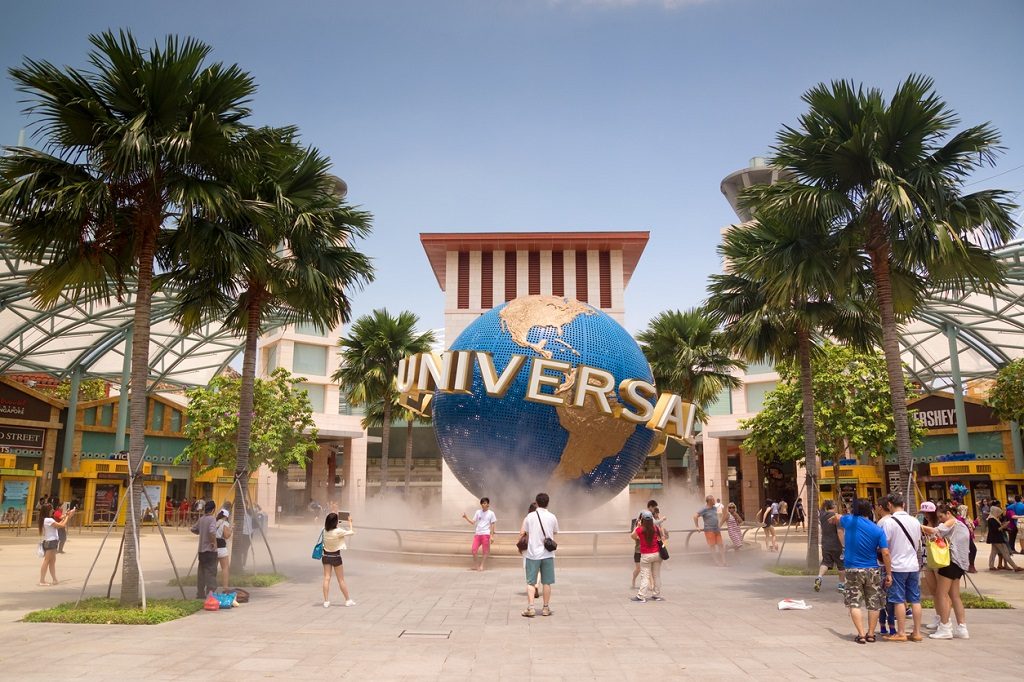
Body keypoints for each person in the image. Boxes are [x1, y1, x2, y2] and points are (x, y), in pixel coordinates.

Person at [829, 498, 891, 644]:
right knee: (874, 603)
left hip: (852, 569)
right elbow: (886, 553)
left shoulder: (849, 521)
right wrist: (889, 573)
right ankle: (871, 634)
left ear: (853, 510)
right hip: (872, 569)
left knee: (854, 603)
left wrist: (833, 518)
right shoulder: (877, 529)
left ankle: (861, 634)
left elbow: (836, 518)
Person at [877, 494, 923, 642]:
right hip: (913, 565)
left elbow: (884, 547)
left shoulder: (889, 523)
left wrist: (888, 572)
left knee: (898, 600)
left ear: (889, 505)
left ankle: (901, 632)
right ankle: (916, 632)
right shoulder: (915, 521)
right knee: (915, 600)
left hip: (897, 566)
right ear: (903, 504)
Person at [922, 503, 971, 639]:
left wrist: (917, 526)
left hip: (951, 562)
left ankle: (945, 627)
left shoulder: (952, 521)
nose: (941, 519)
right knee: (955, 595)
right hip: (960, 563)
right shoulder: (962, 525)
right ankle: (962, 628)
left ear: (948, 513)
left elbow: (934, 531)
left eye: (941, 516)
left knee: (941, 594)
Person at [519, 492, 558, 618]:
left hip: (533, 554)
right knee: (546, 583)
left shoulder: (530, 517)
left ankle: (531, 608)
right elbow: (555, 532)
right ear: (548, 503)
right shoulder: (552, 517)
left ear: (537, 502)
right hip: (548, 554)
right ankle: (545, 608)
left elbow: (526, 532)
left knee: (531, 582)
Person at [321, 511, 355, 607]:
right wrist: (350, 522)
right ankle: (347, 600)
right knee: (341, 580)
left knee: (326, 578)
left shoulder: (324, 530)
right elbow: (351, 533)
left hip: (326, 556)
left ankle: (326, 601)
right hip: (336, 557)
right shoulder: (338, 531)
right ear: (336, 522)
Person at [630, 510, 666, 602]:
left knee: (645, 576)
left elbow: (633, 536)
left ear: (642, 519)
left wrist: (637, 526)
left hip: (646, 556)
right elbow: (660, 536)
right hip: (657, 554)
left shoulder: (640, 529)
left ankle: (641, 596)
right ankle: (656, 595)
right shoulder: (655, 528)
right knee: (656, 576)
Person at [873, 500, 896, 637]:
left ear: (880, 507)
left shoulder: (882, 523)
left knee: (881, 598)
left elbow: (882, 549)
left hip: (883, 564)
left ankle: (883, 627)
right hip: (897, 564)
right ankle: (892, 627)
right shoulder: (895, 520)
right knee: (892, 599)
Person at [814, 499, 846, 593]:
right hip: (836, 545)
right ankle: (841, 585)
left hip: (825, 543)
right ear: (834, 506)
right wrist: (843, 545)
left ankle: (819, 577)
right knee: (841, 565)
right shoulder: (836, 517)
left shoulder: (822, 516)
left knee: (825, 562)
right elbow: (840, 532)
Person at [39, 505, 74, 586]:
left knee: (52, 562)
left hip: (51, 541)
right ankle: (42, 580)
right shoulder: (49, 519)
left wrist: (66, 516)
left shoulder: (46, 520)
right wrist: (68, 517)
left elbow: (58, 525)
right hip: (51, 542)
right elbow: (62, 525)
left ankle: (54, 579)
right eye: (51, 509)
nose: (53, 510)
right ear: (48, 511)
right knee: (47, 561)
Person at [191, 500, 218, 599]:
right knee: (211, 572)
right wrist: (213, 542)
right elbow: (212, 531)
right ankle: (210, 594)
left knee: (201, 572)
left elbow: (193, 529)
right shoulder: (212, 519)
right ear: (213, 509)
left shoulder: (201, 519)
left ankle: (200, 593)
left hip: (201, 551)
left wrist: (200, 533)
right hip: (210, 551)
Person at [461, 497, 497, 571]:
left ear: (488, 504)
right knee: (474, 550)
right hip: (477, 534)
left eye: (485, 503)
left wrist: (492, 536)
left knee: (485, 551)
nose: (484, 504)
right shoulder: (478, 512)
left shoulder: (491, 513)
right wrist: (466, 517)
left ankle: (482, 565)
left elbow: (493, 525)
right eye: (482, 503)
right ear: (481, 504)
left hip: (486, 534)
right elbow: (473, 522)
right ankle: (476, 565)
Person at [984, 503, 1021, 571]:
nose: (999, 514)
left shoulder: (993, 518)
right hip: (997, 538)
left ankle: (991, 566)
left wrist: (1006, 528)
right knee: (1005, 552)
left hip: (994, 538)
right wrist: (1004, 526)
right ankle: (1015, 567)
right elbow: (996, 529)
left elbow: (998, 528)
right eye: (998, 512)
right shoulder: (992, 519)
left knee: (993, 553)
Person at [631, 499, 659, 589]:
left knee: (648, 569)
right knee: (638, 569)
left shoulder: (650, 527)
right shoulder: (639, 527)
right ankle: (634, 579)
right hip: (638, 550)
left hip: (646, 552)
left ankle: (651, 586)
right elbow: (633, 536)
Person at [694, 495, 726, 566]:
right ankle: (716, 562)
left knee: (721, 545)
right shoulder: (704, 509)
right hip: (709, 530)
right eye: (713, 500)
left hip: (716, 530)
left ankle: (724, 561)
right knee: (712, 546)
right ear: (709, 501)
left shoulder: (714, 508)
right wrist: (697, 526)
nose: (714, 501)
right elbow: (695, 516)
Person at [214, 509, 233, 589]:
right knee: (225, 568)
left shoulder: (214, 522)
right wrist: (231, 529)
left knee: (213, 568)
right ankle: (225, 587)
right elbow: (226, 536)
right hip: (221, 547)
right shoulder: (225, 523)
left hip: (213, 547)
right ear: (226, 516)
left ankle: (211, 587)